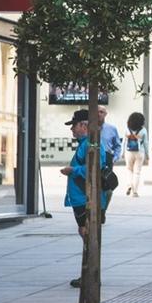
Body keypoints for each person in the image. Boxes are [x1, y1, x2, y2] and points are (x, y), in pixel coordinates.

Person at [60, 109, 110, 288]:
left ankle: (90, 274)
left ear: (83, 125)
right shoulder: (86, 144)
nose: (71, 130)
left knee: (87, 233)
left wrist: (72, 170)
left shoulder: (90, 144)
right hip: (81, 197)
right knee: (85, 232)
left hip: (85, 197)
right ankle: (89, 272)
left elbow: (93, 169)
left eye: (73, 126)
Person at [124, 113, 147, 197]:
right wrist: (147, 155)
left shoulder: (127, 129)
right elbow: (146, 143)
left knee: (129, 170)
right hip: (140, 152)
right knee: (137, 172)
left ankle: (129, 185)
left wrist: (122, 153)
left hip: (129, 151)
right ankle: (135, 192)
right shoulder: (143, 130)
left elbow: (124, 142)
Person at [98, 105, 124, 169]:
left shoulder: (112, 129)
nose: (98, 114)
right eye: (97, 112)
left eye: (101, 112)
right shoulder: (88, 128)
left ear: (105, 114)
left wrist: (114, 158)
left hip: (107, 159)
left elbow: (117, 145)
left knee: (107, 178)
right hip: (93, 159)